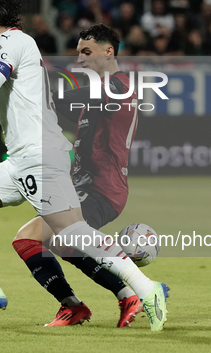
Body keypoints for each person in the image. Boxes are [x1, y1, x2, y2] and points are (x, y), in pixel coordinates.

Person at [0, 0, 168, 331]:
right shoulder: (31, 54)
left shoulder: (14, 42)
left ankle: (143, 290)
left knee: (71, 234)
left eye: (87, 53)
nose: (80, 59)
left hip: (70, 170)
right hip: (26, 160)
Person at [12, 24, 155, 327]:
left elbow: (60, 100)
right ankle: (112, 297)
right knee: (62, 244)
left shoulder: (119, 86)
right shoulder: (96, 95)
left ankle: (133, 292)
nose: (79, 60)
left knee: (29, 238)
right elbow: (57, 109)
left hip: (101, 188)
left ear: (108, 51)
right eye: (77, 53)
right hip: (83, 187)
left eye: (86, 52)